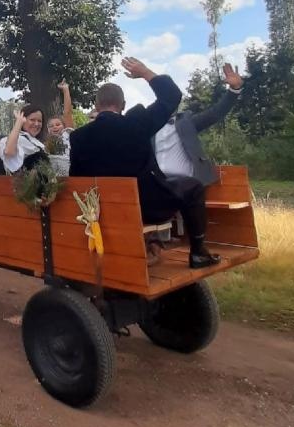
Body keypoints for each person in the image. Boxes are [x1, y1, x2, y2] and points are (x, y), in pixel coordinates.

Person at [68, 57, 220, 269]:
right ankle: (198, 252)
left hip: (102, 211)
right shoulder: (135, 123)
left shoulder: (78, 137)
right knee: (193, 186)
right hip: (145, 207)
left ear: (96, 105)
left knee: (173, 182)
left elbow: (75, 179)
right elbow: (172, 96)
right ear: (122, 105)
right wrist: (145, 72)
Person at [153, 63, 243, 186]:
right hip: (157, 184)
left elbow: (215, 113)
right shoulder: (150, 125)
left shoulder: (186, 122)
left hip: (186, 186)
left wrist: (234, 90)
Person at [0, 103, 48, 173]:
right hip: (24, 183)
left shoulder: (38, 142)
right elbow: (9, 152)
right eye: (32, 120)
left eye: (39, 121)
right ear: (23, 120)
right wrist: (18, 123)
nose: (36, 124)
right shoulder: (16, 139)